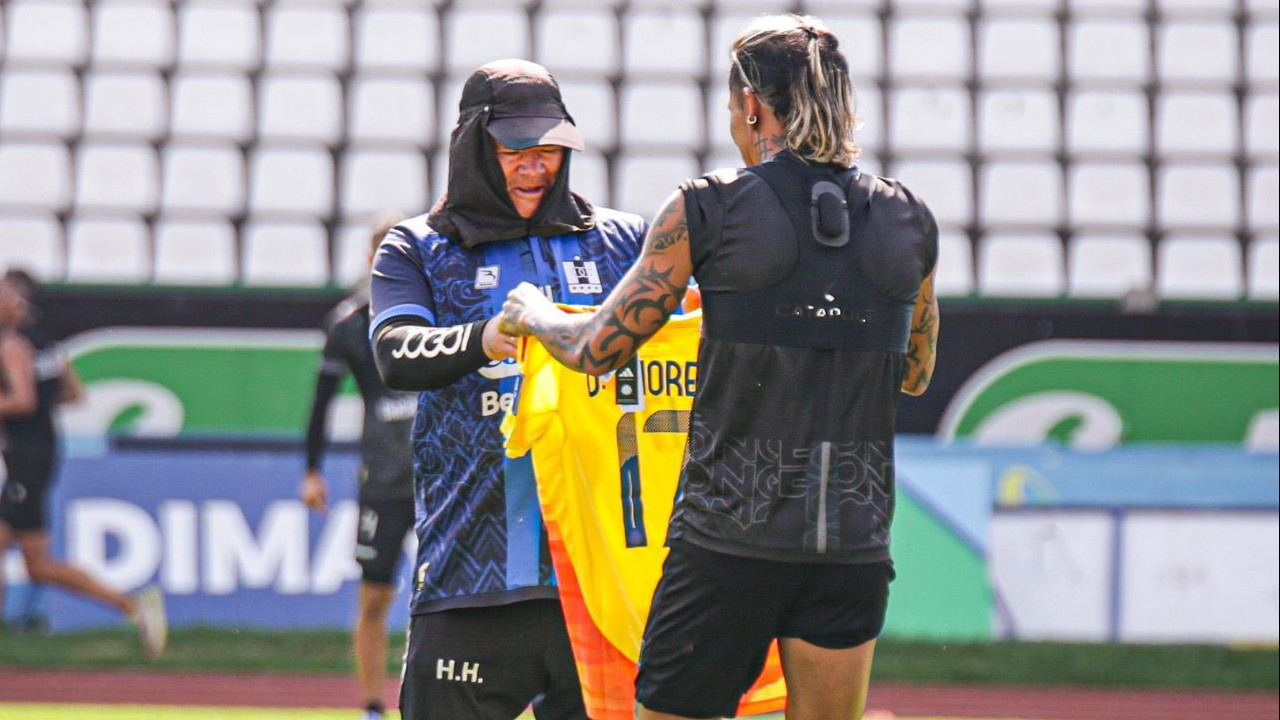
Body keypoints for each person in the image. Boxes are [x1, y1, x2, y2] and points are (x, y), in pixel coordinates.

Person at [499, 14, 939, 720]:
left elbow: (596, 352)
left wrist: (531, 313)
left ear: (751, 106)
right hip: (851, 543)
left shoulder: (707, 207)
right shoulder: (908, 219)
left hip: (729, 539)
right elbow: (915, 372)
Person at [369, 59, 647, 720]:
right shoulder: (417, 247)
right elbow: (395, 352)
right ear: (472, 147)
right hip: (470, 574)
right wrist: (484, 337)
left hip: (602, 583)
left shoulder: (627, 242)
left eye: (549, 150)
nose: (535, 167)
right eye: (515, 151)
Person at [0, 268, 167, 657]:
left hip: (26, 457)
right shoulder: (46, 344)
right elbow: (73, 393)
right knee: (37, 565)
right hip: (43, 452)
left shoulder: (12, 344)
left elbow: (22, 400)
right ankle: (132, 606)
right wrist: (39, 408)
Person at [300, 215, 416, 720]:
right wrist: (311, 470)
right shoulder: (349, 326)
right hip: (384, 479)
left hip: (446, 478)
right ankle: (372, 708)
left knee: (460, 599)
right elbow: (320, 404)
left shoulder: (442, 311)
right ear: (372, 261)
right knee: (375, 597)